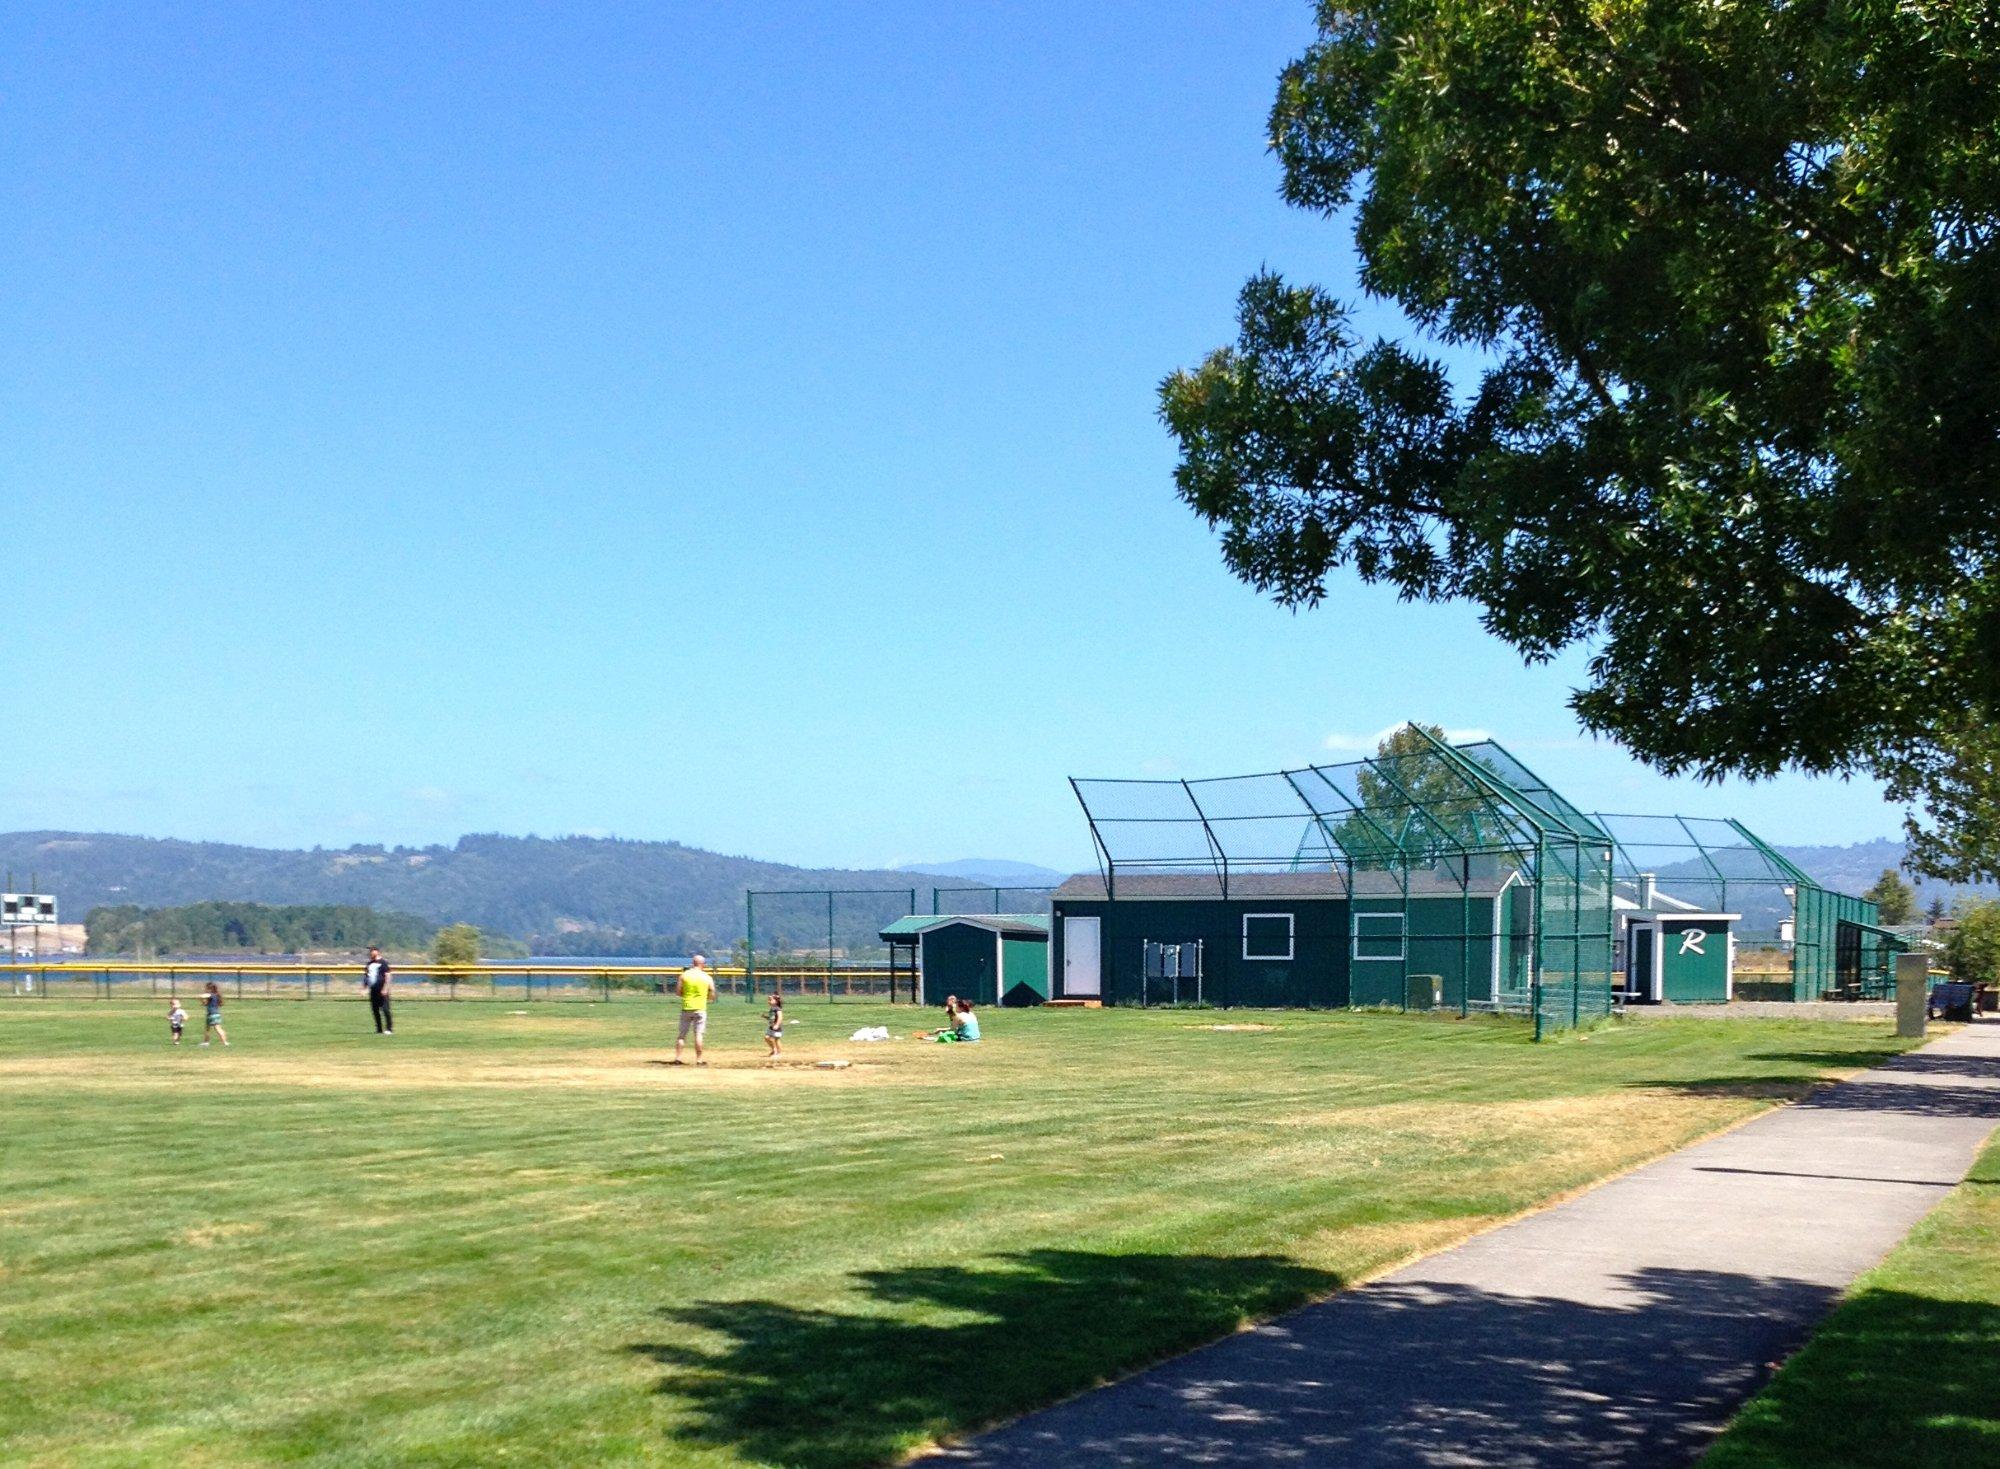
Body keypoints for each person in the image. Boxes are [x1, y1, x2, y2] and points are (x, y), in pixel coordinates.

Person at [674, 954, 715, 1066]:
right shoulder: (707, 977)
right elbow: (712, 994)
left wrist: (686, 995)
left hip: (687, 1007)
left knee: (682, 1034)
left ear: (693, 963)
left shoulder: (684, 975)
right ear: (703, 964)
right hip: (700, 1008)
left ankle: (678, 1058)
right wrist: (705, 998)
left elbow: (678, 992)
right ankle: (699, 1059)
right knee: (698, 1034)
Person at [363, 946, 393, 1035]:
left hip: (382, 990)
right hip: (373, 990)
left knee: (385, 1009)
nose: (370, 953)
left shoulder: (383, 963)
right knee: (375, 1010)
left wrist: (385, 988)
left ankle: (389, 1028)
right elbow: (366, 977)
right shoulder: (369, 964)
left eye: (372, 951)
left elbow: (388, 976)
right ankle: (379, 1029)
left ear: (377, 952)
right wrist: (364, 988)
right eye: (370, 952)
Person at [200, 982, 229, 1047]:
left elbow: (202, 996)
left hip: (212, 1015)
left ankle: (225, 1042)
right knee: (208, 1029)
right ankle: (206, 1042)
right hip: (216, 1014)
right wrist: (204, 1002)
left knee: (217, 1028)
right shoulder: (216, 995)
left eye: (207, 988)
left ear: (210, 988)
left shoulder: (212, 995)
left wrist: (202, 998)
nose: (205, 989)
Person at [764, 990, 785, 1059]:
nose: (769, 1001)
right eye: (768, 1000)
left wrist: (777, 1025)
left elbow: (780, 1017)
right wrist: (765, 1017)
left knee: (776, 1040)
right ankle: (774, 1050)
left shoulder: (777, 1009)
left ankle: (778, 1053)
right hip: (771, 1027)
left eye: (770, 1000)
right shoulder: (772, 1009)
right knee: (767, 1038)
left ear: (776, 1001)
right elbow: (771, 1018)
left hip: (777, 1027)